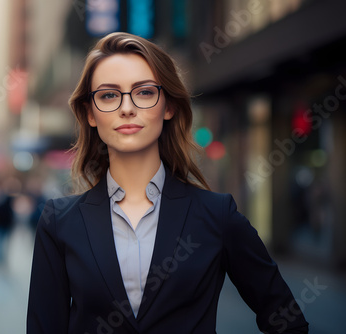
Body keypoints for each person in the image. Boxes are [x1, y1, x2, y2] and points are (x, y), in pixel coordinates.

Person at [27, 32, 309, 334]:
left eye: (144, 92)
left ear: (169, 106)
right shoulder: (59, 222)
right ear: (90, 114)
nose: (126, 108)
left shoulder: (217, 215)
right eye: (109, 95)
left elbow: (286, 320)